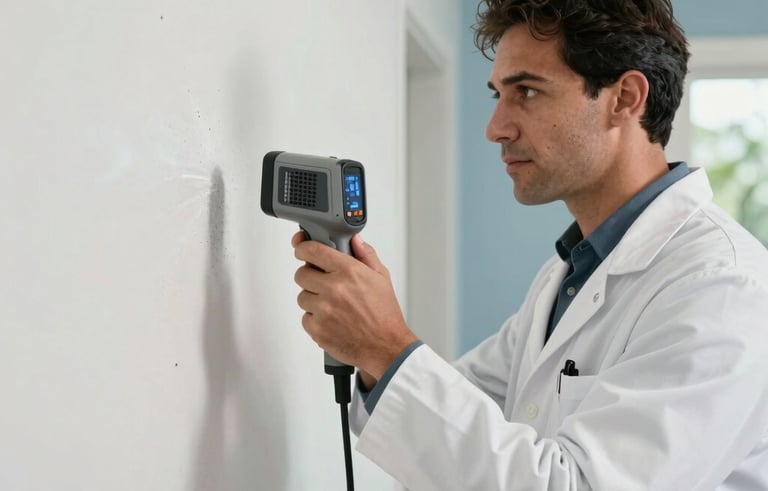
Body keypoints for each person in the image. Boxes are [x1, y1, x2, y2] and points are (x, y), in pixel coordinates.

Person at [291, 0, 768, 488]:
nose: (495, 128)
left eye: (527, 91)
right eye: (498, 94)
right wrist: (370, 343)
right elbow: (465, 411)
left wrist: (385, 346)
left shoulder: (723, 288)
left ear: (624, 98)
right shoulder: (569, 274)